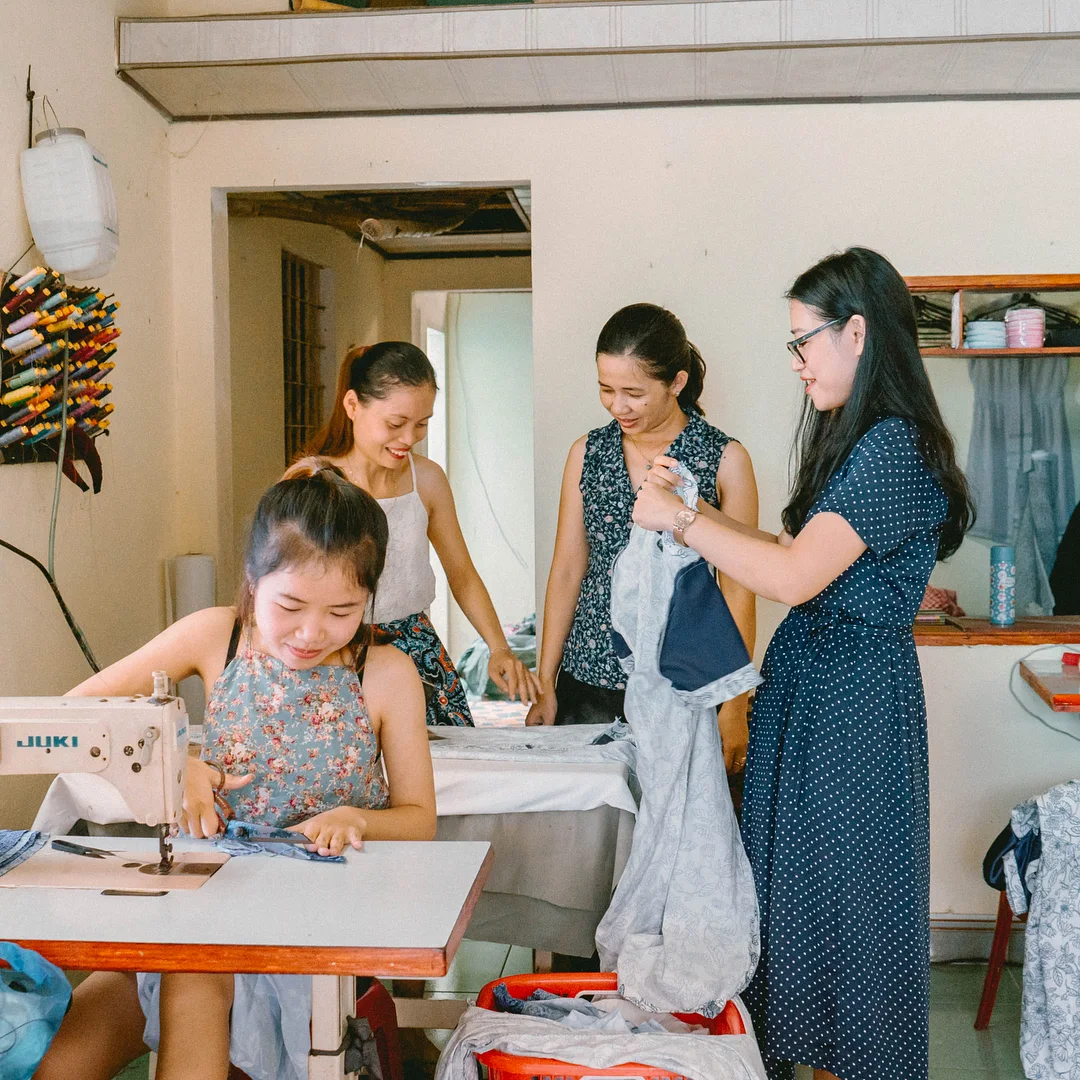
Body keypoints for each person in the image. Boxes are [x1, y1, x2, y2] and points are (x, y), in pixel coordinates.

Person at [632, 248, 975, 1080]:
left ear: (857, 332)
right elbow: (795, 552)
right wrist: (707, 511)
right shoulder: (863, 441)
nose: (796, 364)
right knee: (798, 914)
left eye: (803, 343)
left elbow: (792, 578)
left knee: (845, 917)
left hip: (852, 705)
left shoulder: (895, 447)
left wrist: (681, 521)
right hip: (820, 692)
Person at [36, 459, 437, 1080]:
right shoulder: (216, 636)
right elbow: (71, 714)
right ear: (252, 579)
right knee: (58, 1065)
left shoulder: (385, 674)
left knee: (194, 983)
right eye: (291, 605)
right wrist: (174, 766)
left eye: (342, 612)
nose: (310, 633)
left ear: (369, 598)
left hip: (316, 931)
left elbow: (420, 820)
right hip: (201, 907)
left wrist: (357, 818)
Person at [527, 303, 759, 770]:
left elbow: (739, 588)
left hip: (686, 684)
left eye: (633, 392)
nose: (617, 406)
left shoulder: (725, 459)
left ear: (676, 382)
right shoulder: (586, 453)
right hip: (588, 677)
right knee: (591, 832)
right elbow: (569, 569)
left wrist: (734, 705)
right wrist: (546, 679)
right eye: (606, 389)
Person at [309, 341, 540, 726]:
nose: (409, 438)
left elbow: (462, 575)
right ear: (352, 406)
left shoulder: (427, 480)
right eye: (395, 424)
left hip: (415, 649)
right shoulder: (314, 481)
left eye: (422, 423)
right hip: (332, 650)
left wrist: (499, 648)